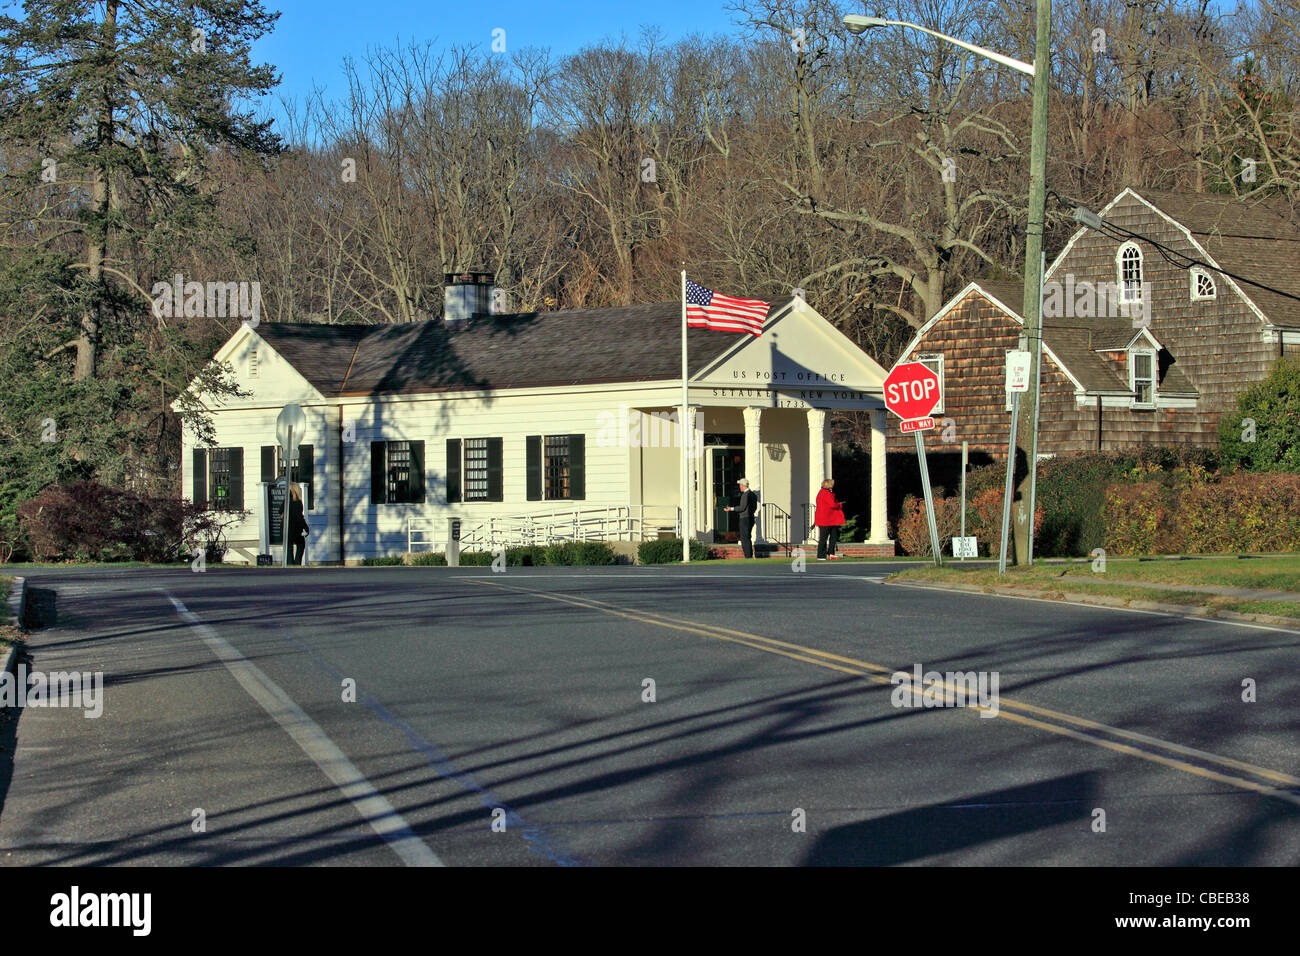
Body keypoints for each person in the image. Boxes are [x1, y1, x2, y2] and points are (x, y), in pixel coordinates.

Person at [724, 478, 759, 559]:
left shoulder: (745, 494)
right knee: (747, 537)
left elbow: (742, 507)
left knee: (744, 538)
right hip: (750, 518)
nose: (739, 487)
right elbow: (754, 507)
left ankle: (748, 556)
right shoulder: (753, 494)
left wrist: (731, 509)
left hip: (745, 518)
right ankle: (749, 555)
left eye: (740, 485)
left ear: (743, 485)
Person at [814, 478, 845, 561]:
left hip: (829, 519)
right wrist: (839, 504)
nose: (833, 485)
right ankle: (821, 555)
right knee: (824, 538)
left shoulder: (822, 493)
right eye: (831, 483)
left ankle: (831, 553)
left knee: (833, 536)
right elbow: (832, 505)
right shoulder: (826, 493)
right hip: (826, 519)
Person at [288, 482, 310, 566]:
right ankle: (297, 563)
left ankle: (289, 563)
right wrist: (306, 527)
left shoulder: (287, 501)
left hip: (287, 527)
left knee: (289, 547)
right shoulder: (297, 502)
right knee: (301, 545)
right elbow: (300, 517)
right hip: (296, 527)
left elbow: (280, 510)